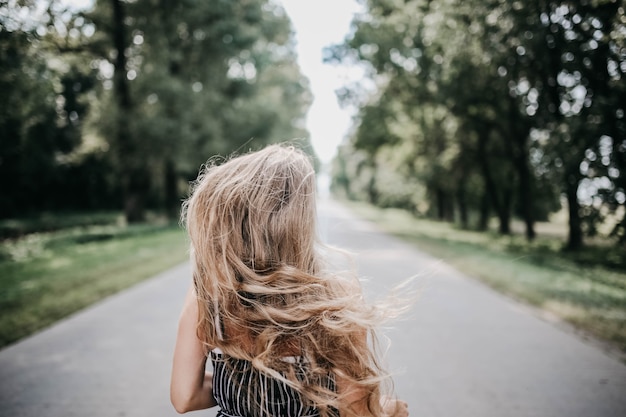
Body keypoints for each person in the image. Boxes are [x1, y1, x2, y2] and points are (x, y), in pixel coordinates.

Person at [170, 144, 409, 417]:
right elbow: (356, 414)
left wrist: (249, 390)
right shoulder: (334, 301)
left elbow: (185, 397)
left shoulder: (209, 297)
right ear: (296, 225)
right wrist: (387, 410)